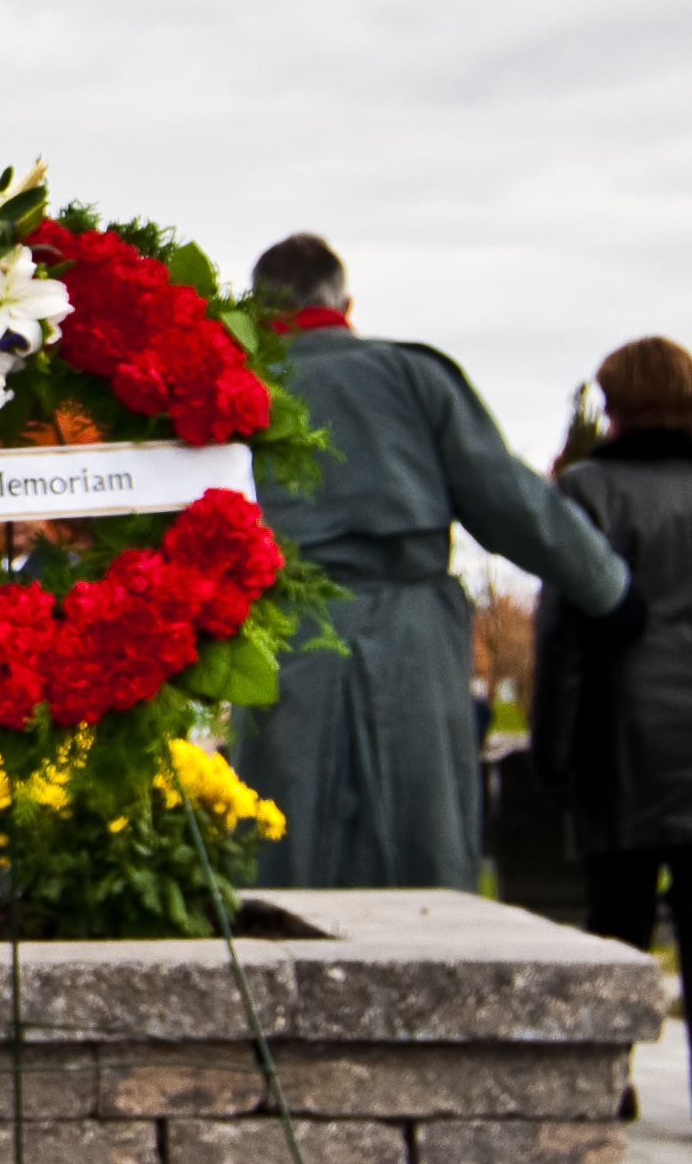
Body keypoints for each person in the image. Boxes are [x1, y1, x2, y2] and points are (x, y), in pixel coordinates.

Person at [230, 232, 630, 888]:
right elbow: (508, 498)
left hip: (280, 628)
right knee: (419, 823)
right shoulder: (414, 375)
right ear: (345, 302)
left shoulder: (234, 391)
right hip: (407, 622)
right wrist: (606, 585)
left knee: (282, 831)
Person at [533, 336, 692, 1143]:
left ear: (611, 409)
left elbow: (563, 638)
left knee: (614, 919)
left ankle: (607, 1080)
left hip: (625, 735)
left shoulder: (586, 491)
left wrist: (554, 751)